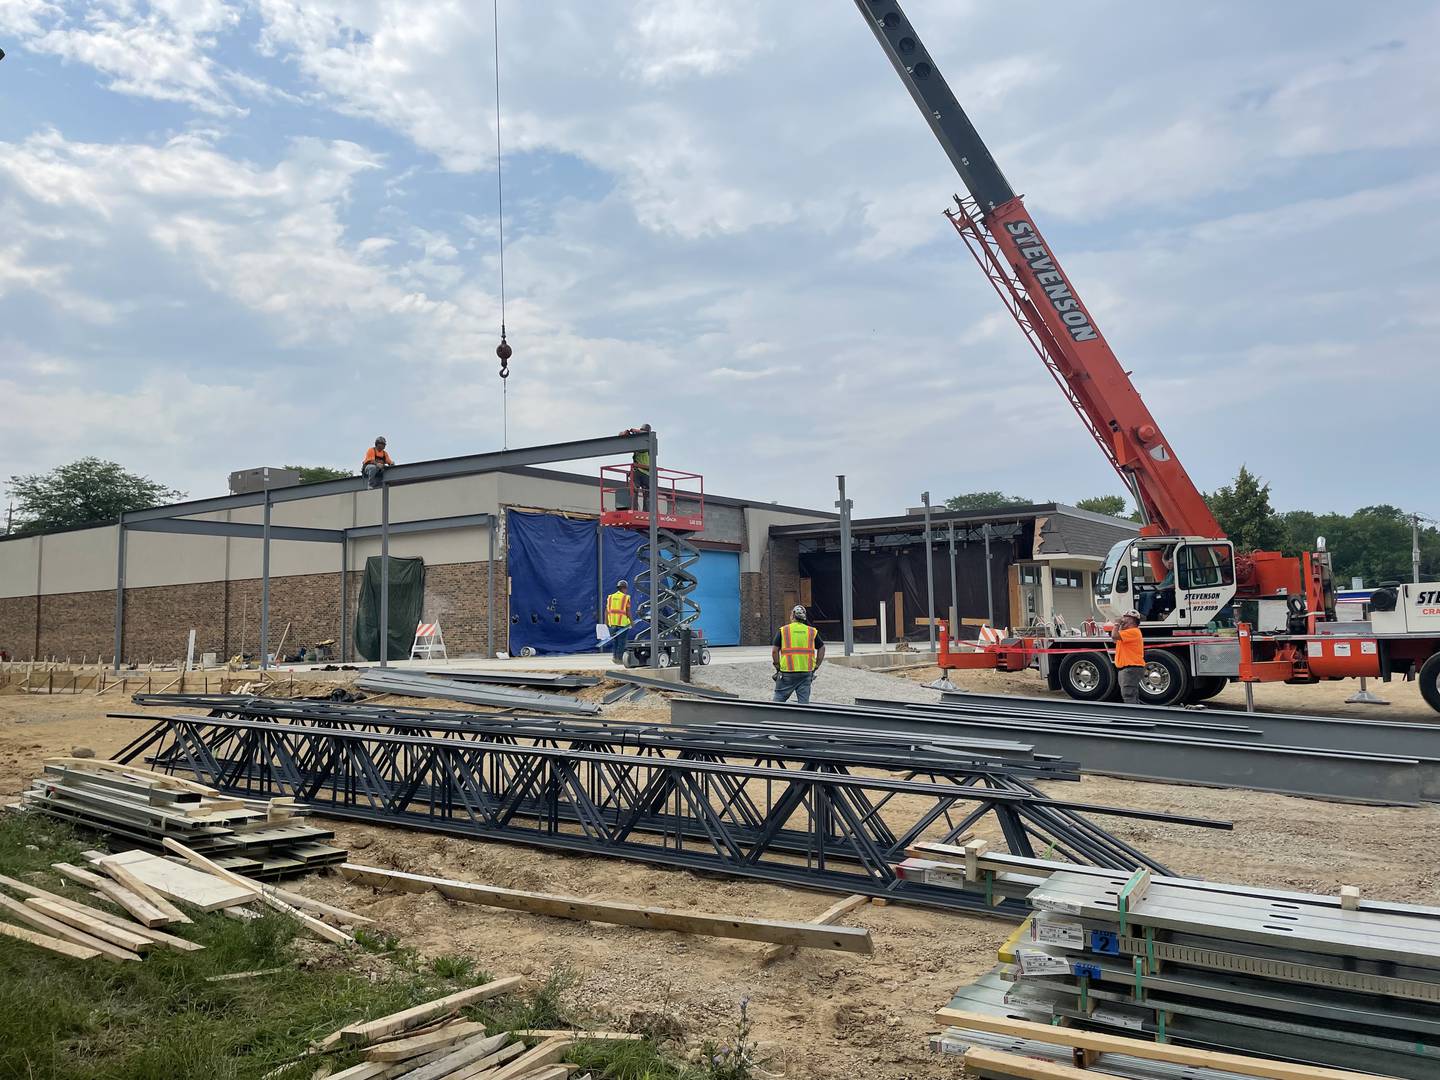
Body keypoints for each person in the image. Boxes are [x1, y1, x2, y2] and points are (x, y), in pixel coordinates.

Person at [772, 604, 825, 704]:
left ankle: (774, 717)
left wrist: (777, 667)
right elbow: (822, 647)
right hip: (806, 672)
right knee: (803, 704)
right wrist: (817, 665)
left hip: (787, 672)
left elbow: (775, 651)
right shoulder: (812, 631)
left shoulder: (784, 630)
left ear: (792, 615)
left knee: (778, 700)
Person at [1112, 610, 1146, 704]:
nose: (1123, 619)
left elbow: (1114, 634)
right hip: (1128, 669)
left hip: (1131, 668)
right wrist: (1121, 626)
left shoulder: (1133, 631)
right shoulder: (1126, 633)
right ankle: (1136, 714)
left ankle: (1134, 716)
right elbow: (1114, 638)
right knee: (1130, 695)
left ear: (1131, 620)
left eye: (1125, 617)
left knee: (1128, 695)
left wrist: (1117, 624)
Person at [620, 424, 652, 510]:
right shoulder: (637, 440)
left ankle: (647, 512)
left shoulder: (649, 439)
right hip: (638, 470)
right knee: (634, 491)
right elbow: (620, 435)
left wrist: (635, 430)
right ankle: (634, 510)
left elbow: (645, 433)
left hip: (647, 473)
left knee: (647, 494)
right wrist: (626, 432)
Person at [604, 579, 632, 664]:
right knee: (621, 643)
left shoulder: (610, 597)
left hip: (612, 624)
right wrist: (632, 621)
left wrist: (606, 622)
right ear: (624, 588)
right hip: (623, 624)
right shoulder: (626, 597)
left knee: (615, 641)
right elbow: (627, 611)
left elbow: (606, 611)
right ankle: (620, 659)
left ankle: (615, 657)